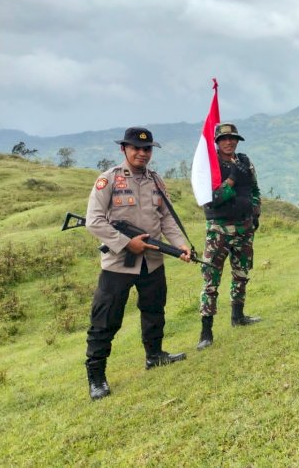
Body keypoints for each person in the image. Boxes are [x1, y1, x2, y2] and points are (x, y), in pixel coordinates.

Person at [84, 127, 191, 401]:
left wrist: (180, 244)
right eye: (136, 148)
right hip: (118, 264)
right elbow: (94, 221)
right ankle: (96, 377)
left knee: (154, 310)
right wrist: (126, 243)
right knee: (105, 320)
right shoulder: (108, 180)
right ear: (124, 149)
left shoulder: (156, 180)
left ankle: (154, 356)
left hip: (152, 261)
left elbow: (165, 216)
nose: (142, 153)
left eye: (147, 149)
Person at [197, 123, 262, 350]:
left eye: (233, 138)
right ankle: (206, 331)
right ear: (216, 141)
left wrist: (255, 212)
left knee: (241, 274)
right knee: (211, 281)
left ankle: (238, 316)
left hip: (244, 228)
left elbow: (254, 189)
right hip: (219, 230)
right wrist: (231, 180)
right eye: (224, 138)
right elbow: (211, 199)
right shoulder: (210, 166)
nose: (229, 142)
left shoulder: (244, 161)